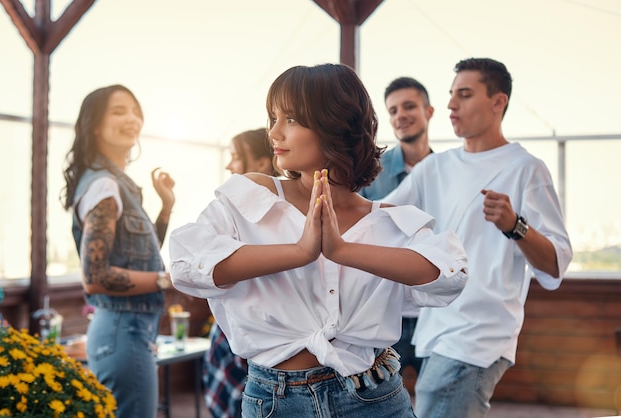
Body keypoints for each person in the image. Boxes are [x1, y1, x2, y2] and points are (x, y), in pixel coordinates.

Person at [169, 63, 468, 418]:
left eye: (291, 119)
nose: (275, 132)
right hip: (274, 402)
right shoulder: (254, 196)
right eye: (272, 117)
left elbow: (451, 276)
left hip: (373, 398)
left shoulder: (389, 218)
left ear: (336, 124)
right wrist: (298, 252)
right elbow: (186, 264)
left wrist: (344, 251)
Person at [383, 58, 573, 418]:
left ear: (498, 102)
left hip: (481, 336)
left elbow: (556, 263)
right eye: (452, 95)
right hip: (436, 328)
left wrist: (516, 226)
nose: (453, 105)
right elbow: (378, 216)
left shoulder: (526, 168)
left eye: (465, 95)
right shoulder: (434, 168)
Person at [62, 84, 175, 418]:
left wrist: (166, 208)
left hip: (124, 330)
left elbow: (136, 254)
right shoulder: (104, 185)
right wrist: (167, 280)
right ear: (94, 124)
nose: (131, 119)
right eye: (118, 111)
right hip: (123, 331)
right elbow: (95, 278)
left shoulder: (110, 182)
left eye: (135, 111)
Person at [360, 76, 435, 381]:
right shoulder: (370, 172)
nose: (400, 115)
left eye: (408, 106)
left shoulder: (447, 172)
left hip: (436, 309)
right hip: (385, 308)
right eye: (392, 110)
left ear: (428, 111)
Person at [204, 127, 277, 418]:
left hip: (250, 344)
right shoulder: (230, 212)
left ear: (262, 163)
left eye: (235, 157)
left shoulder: (261, 219)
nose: (228, 165)